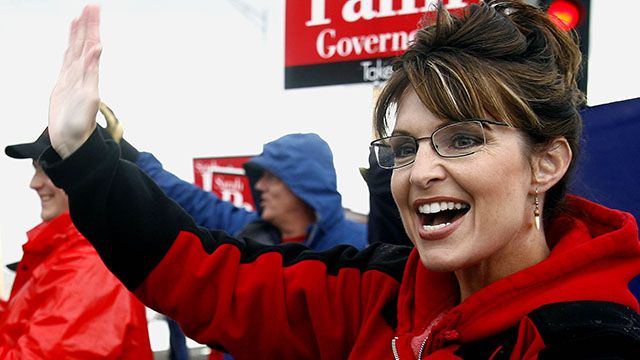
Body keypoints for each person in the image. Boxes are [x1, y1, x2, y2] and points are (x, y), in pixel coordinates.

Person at [40, 1, 640, 359]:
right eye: (403, 148)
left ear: (547, 164)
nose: (422, 172)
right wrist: (85, 155)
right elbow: (207, 276)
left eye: (464, 139)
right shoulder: (378, 294)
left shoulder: (590, 342)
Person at [101, 104, 367, 251]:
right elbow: (190, 199)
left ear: (303, 183)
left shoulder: (359, 245)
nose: (259, 185)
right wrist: (127, 153)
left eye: (271, 177)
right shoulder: (247, 229)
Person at [1, 128, 153, 359]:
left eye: (48, 170)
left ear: (88, 177)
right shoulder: (62, 253)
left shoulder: (92, 264)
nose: (34, 183)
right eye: (35, 170)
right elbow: (16, 330)